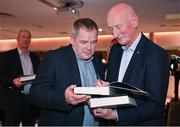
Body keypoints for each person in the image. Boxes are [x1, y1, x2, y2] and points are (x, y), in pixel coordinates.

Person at [92, 3, 170, 126]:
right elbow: (115, 87)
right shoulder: (115, 51)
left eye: (118, 26)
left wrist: (115, 115)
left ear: (134, 21)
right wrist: (105, 87)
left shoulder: (156, 54)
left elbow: (155, 106)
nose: (115, 34)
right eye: (111, 28)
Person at [29, 18, 105, 126]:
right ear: (72, 40)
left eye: (93, 42)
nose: (89, 48)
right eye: (83, 42)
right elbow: (35, 94)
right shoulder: (55, 58)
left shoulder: (97, 61)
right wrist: (64, 98)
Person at [0, 29, 40, 126]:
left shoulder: (35, 57)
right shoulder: (7, 56)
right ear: (17, 39)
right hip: (13, 102)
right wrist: (12, 81)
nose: (26, 40)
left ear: (30, 41)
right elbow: (1, 76)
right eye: (23, 37)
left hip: (31, 102)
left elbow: (39, 75)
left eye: (28, 38)